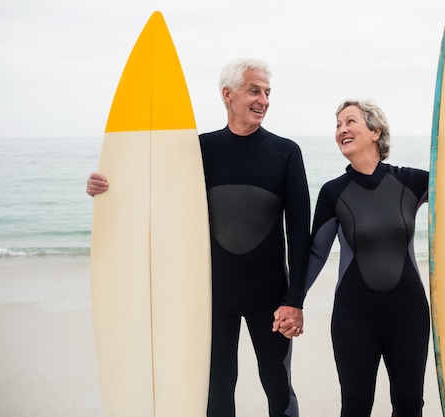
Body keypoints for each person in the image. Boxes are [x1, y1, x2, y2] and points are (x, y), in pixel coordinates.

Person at [274, 99, 445, 416]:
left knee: (409, 406)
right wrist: (293, 301)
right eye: (338, 125)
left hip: (408, 314)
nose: (341, 130)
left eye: (349, 121)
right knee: (355, 406)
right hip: (353, 317)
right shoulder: (333, 192)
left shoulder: (410, 181)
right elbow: (315, 252)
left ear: (375, 130)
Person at [87, 58, 310, 417]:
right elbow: (153, 194)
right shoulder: (199, 150)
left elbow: (299, 232)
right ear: (228, 94)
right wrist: (104, 189)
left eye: (268, 92)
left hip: (270, 296)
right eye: (255, 90)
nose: (264, 100)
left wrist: (294, 299)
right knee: (217, 388)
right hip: (211, 296)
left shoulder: (285, 152)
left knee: (278, 384)